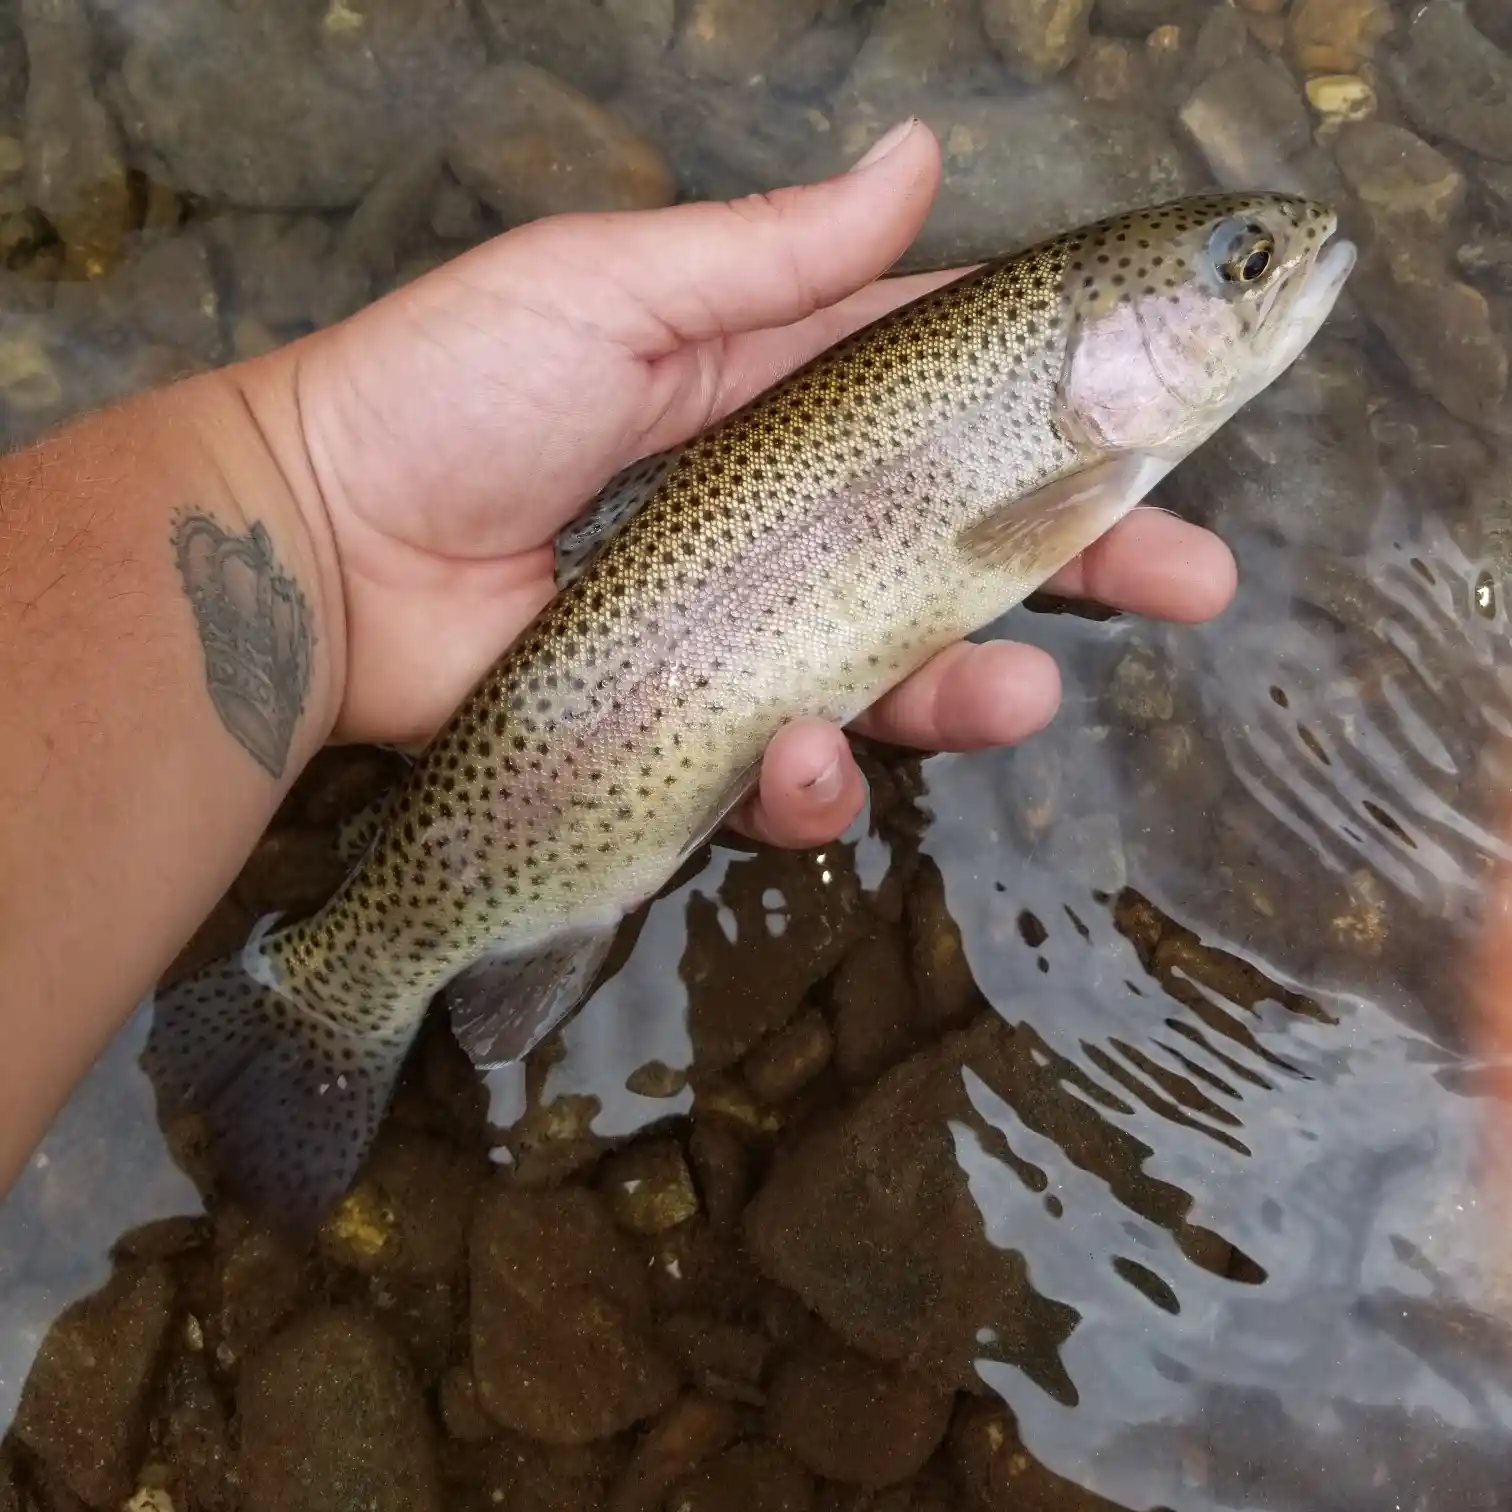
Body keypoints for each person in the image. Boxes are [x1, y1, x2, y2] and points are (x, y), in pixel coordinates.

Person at [0, 118, 1236, 1193]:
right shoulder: (1079, 453)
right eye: (1244, 270)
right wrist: (306, 502)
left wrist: (309, 500)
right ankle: (343, 983)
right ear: (1110, 327)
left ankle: (338, 982)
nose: (1270, 277)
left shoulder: (1074, 431)